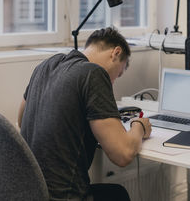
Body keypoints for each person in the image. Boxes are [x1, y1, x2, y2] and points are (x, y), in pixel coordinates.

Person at [18, 27, 152, 201]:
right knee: (118, 195)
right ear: (115, 53)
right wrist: (139, 126)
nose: (113, 82)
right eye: (118, 74)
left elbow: (21, 120)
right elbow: (123, 154)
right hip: (63, 196)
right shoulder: (94, 74)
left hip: (31, 193)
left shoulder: (46, 65)